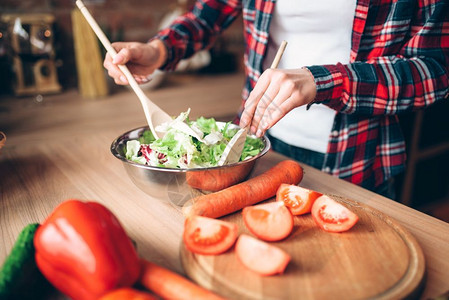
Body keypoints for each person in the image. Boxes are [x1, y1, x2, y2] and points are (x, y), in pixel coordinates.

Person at [103, 0, 449, 200]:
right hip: (253, 149)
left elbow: (435, 71)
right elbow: (208, 14)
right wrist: (158, 50)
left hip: (357, 157)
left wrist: (323, 81)